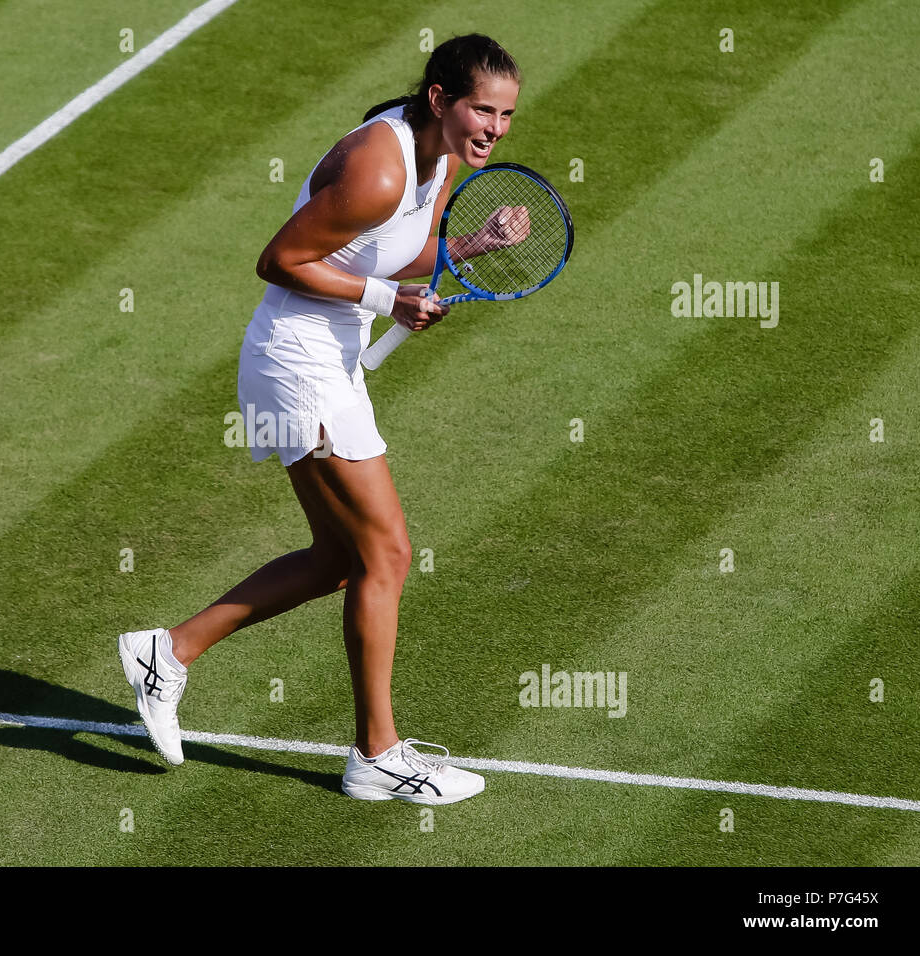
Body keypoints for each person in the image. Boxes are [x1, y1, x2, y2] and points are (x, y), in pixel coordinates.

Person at [119, 34, 523, 805]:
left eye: (505, 115)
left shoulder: (438, 162)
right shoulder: (378, 165)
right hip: (295, 366)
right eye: (482, 109)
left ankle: (166, 653)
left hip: (329, 362)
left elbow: (390, 250)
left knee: (340, 559)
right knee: (389, 553)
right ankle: (377, 753)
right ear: (440, 98)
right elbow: (279, 260)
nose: (495, 128)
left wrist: (469, 244)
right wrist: (385, 303)